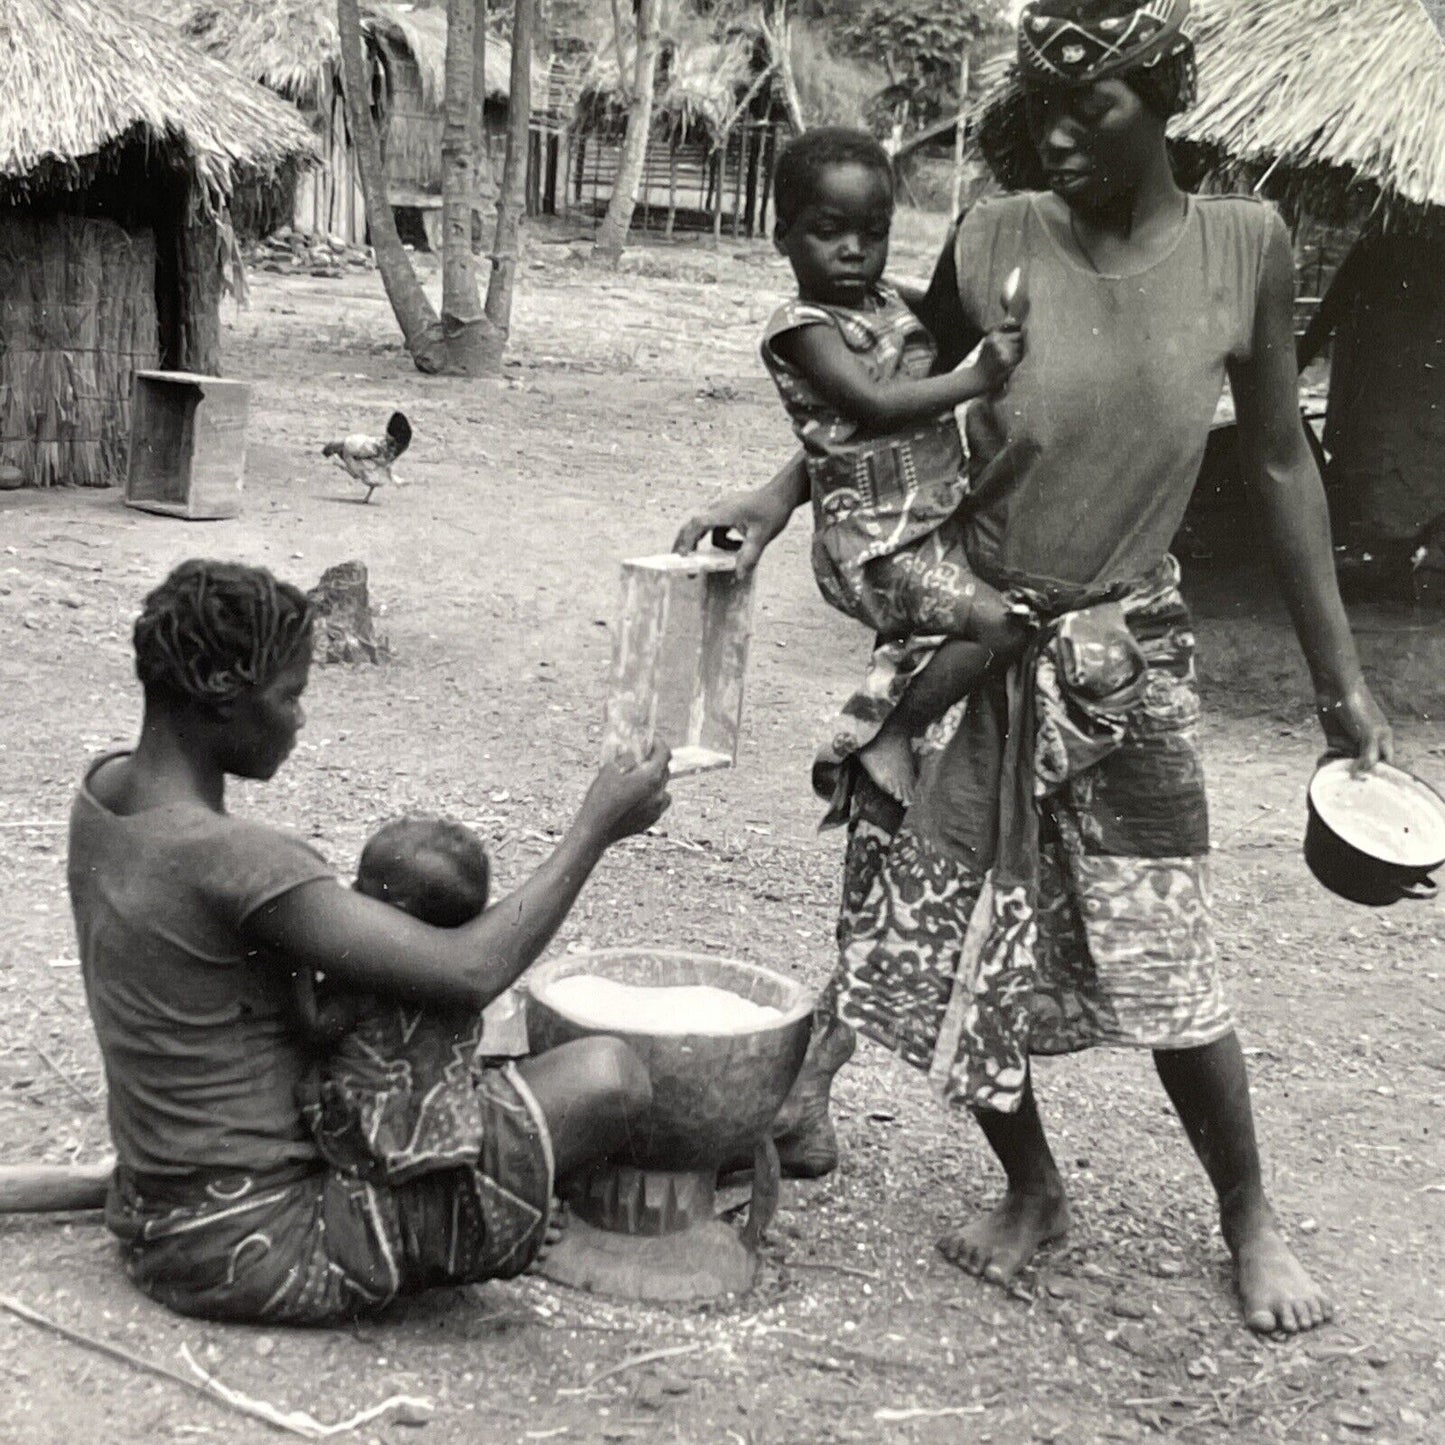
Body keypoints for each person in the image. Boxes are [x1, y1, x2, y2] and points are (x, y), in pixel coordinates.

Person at [677, 0, 1392, 1335]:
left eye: (1094, 109)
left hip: (1122, 656)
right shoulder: (990, 235)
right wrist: (772, 501)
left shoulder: (1245, 247)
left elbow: (1285, 461)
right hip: (965, 636)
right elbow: (877, 403)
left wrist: (1338, 685)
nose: (1059, 137)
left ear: (1163, 95)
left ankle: (1247, 1209)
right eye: (1042, 112)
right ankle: (1031, 1186)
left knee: (1163, 949)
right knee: (947, 939)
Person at [68, 560, 671, 1324]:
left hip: (160, 1213)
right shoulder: (231, 860)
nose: (299, 718)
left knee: (458, 1045)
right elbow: (470, 970)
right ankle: (473, 1226)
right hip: (266, 1243)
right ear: (224, 694)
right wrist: (595, 828)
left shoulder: (102, 796)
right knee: (608, 1076)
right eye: (290, 696)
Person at [763, 126, 1028, 805]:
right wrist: (980, 377)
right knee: (1000, 625)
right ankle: (886, 734)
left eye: (872, 232)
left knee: (936, 640)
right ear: (781, 235)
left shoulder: (882, 299)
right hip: (874, 548)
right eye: (829, 231)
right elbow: (874, 405)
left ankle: (873, 739)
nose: (854, 250)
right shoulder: (801, 329)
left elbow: (944, 307)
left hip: (925, 525)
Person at [295, 815, 512, 1187]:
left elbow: (313, 1029)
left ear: (395, 913)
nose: (348, 888)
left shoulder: (363, 978)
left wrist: (296, 962)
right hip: (446, 1125)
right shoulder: (453, 972)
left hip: (369, 1134)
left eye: (361, 886)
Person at [1295, 227, 1445, 584]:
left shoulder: (1380, 239)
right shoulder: (1380, 241)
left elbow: (1331, 310)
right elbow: (1333, 308)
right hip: (1386, 419)